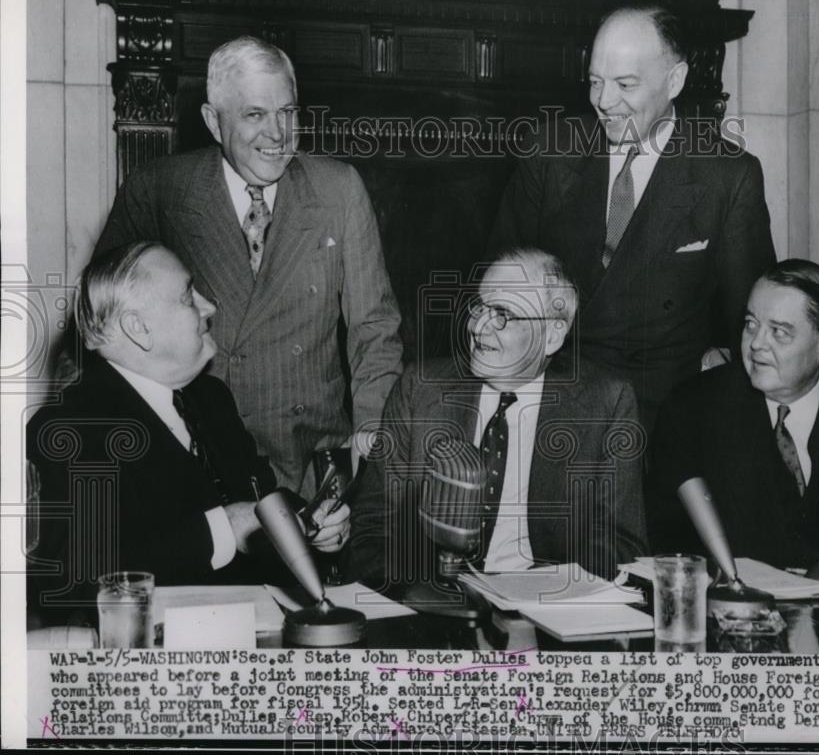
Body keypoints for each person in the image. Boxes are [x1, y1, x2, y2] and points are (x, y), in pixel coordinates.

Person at [93, 35, 403, 495]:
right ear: (213, 123)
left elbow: (375, 329)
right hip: (205, 464)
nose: (278, 134)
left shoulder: (338, 190)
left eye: (288, 112)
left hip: (313, 466)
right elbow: (100, 329)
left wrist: (371, 433)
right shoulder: (159, 190)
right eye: (255, 115)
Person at [26, 243, 349, 624]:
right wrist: (224, 528)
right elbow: (69, 587)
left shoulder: (211, 400)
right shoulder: (70, 429)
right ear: (139, 328)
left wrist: (310, 523)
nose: (209, 306)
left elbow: (259, 499)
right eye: (187, 296)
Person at [490, 4, 775, 429]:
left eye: (625, 84)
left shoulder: (727, 175)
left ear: (674, 80)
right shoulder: (549, 150)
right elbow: (499, 284)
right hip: (552, 394)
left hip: (665, 411)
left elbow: (752, 317)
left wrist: (723, 363)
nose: (604, 102)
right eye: (595, 82)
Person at [349, 248, 648, 586]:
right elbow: (372, 528)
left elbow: (621, 542)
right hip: (434, 602)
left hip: (545, 610)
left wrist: (537, 593)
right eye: (478, 308)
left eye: (503, 314)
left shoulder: (606, 403)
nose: (478, 327)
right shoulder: (420, 391)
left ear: (552, 335)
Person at [646, 259, 819, 568]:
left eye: (779, 332)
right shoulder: (691, 410)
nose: (756, 344)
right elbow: (667, 545)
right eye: (751, 324)